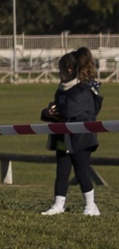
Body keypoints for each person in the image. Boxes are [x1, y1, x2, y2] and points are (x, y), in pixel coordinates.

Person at [40, 47, 103, 216]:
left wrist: (57, 111)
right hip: (63, 137)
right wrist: (47, 113)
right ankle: (58, 204)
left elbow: (69, 111)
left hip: (82, 138)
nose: (58, 74)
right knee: (61, 171)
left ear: (69, 70)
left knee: (81, 170)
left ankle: (91, 206)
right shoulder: (61, 90)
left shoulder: (85, 89)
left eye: (60, 70)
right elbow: (59, 111)